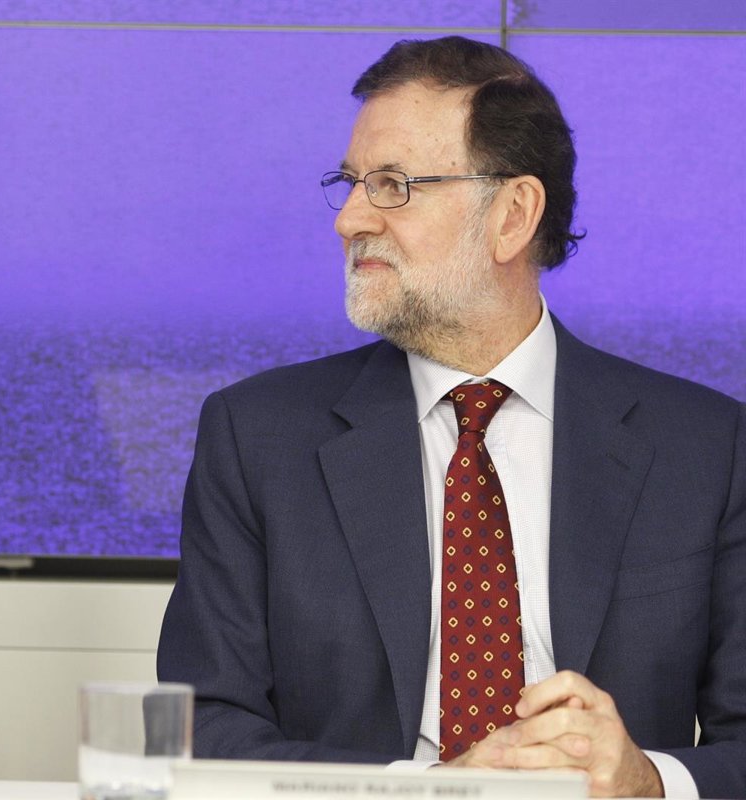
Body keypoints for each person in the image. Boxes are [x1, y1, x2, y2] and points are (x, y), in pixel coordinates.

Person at [157, 35, 745, 799]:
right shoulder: (257, 436)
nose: (350, 220)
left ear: (513, 215)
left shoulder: (706, 448)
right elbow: (203, 726)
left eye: (394, 185)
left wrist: (650, 781)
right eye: (351, 183)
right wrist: (425, 787)